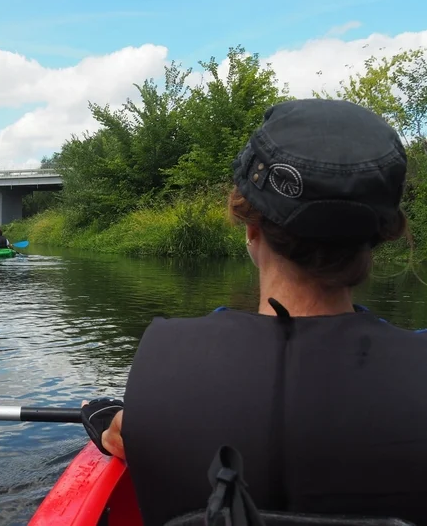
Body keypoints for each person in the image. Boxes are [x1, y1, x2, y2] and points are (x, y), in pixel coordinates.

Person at [83, 99, 427, 525]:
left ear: (250, 226)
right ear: (383, 235)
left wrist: (101, 416)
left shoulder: (166, 368)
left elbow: (120, 433)